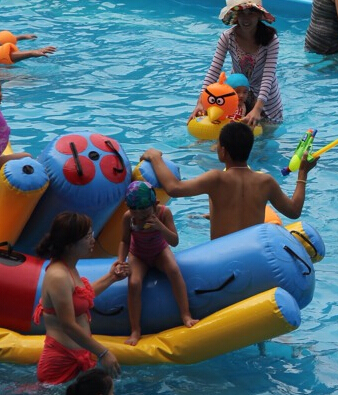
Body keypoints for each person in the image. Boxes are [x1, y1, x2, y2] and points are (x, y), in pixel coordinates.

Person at [141, 121, 319, 239]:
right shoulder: (266, 181)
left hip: (223, 255)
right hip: (253, 253)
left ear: (223, 151)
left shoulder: (216, 178)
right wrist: (302, 173)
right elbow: (294, 211)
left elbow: (174, 188)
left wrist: (155, 156)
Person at [33, 212, 128, 384]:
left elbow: (82, 296)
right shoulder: (58, 276)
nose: (93, 240)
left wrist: (112, 277)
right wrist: (103, 352)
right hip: (60, 363)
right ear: (70, 244)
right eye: (87, 236)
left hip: (79, 356)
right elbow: (68, 325)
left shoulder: (69, 268)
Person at [118, 181, 198, 346]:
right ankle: (135, 330)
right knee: (133, 283)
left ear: (155, 204)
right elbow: (124, 241)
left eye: (145, 214)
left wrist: (159, 226)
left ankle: (186, 315)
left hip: (159, 251)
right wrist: (120, 261)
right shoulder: (128, 217)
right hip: (138, 255)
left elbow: (174, 241)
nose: (139, 218)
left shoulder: (163, 213)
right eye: (135, 213)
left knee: (174, 270)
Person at [190, 0, 283, 125]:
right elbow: (214, 70)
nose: (246, 19)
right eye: (242, 13)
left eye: (251, 13)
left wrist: (257, 109)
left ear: (258, 15)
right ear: (236, 16)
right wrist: (201, 102)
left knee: (265, 136)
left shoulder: (270, 40)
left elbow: (268, 76)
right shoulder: (228, 37)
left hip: (266, 99)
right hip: (237, 93)